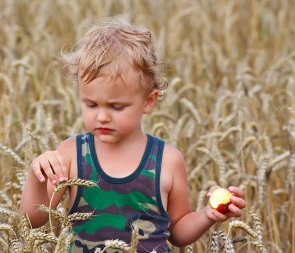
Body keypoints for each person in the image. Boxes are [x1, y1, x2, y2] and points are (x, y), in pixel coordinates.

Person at [20, 18, 246, 253]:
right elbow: (32, 219)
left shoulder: (167, 161)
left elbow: (178, 232)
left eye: (117, 107)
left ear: (149, 101)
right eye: (91, 104)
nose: (102, 117)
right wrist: (37, 174)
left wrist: (207, 215)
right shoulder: (71, 155)